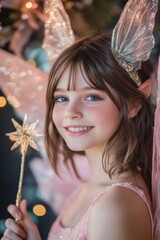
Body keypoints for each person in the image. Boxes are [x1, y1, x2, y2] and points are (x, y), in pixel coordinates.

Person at [1, 0, 158, 239]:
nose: (70, 112)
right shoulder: (88, 188)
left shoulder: (114, 206)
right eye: (61, 98)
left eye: (92, 96)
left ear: (134, 103)